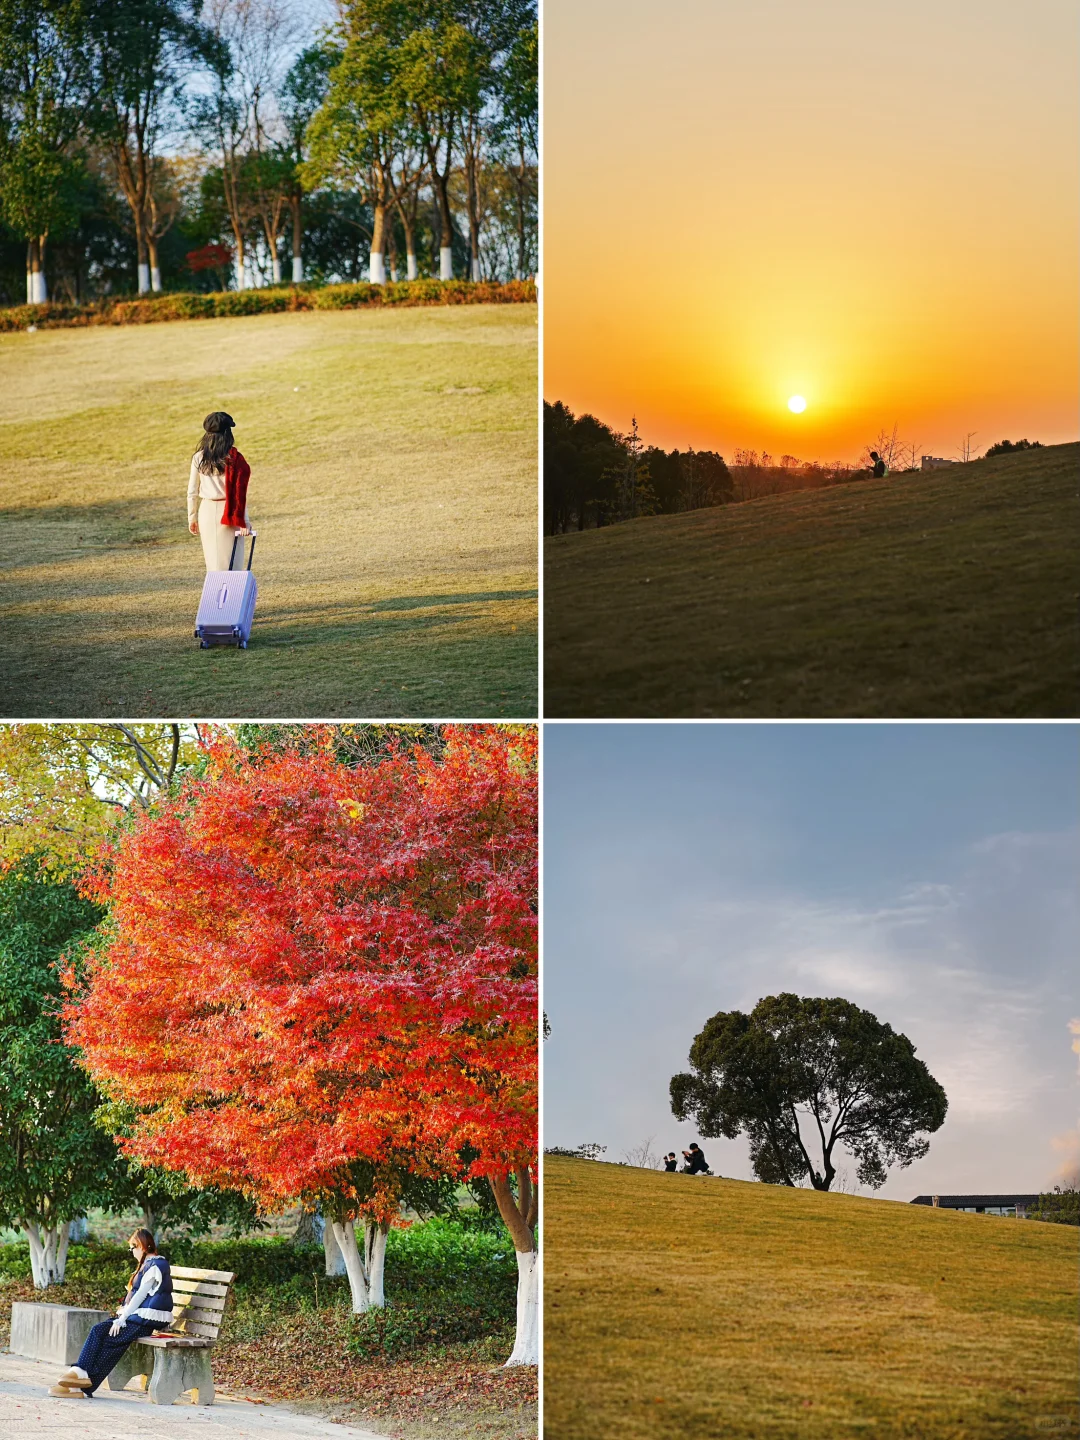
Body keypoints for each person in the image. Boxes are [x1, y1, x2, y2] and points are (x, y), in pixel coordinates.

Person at [49, 1229, 174, 1399]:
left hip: (146, 1321)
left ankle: (81, 1383)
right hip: (139, 1318)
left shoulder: (156, 1266)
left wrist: (121, 1319)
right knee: (100, 1331)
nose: (132, 1252)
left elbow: (140, 1296)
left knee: (109, 1339)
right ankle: (80, 1378)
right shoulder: (148, 1265)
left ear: (143, 1246)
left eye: (133, 1247)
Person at [187, 410, 253, 572]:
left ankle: (217, 596)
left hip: (206, 512)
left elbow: (192, 491)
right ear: (227, 433)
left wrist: (192, 517)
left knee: (213, 563)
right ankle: (232, 597)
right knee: (233, 563)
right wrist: (243, 520)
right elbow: (239, 494)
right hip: (229, 511)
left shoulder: (199, 457)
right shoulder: (233, 458)